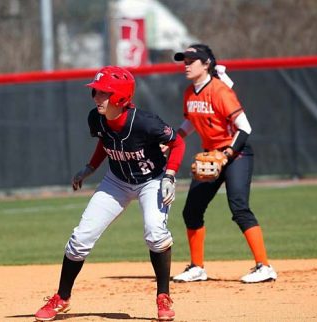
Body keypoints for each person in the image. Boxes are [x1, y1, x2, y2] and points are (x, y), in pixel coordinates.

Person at [34, 66, 186, 321]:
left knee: (155, 233)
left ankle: (163, 295)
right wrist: (90, 167)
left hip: (152, 181)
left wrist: (170, 175)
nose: (96, 97)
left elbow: (178, 143)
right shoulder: (97, 118)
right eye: (96, 91)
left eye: (103, 93)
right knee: (80, 239)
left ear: (121, 97)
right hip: (116, 181)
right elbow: (105, 143)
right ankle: (62, 297)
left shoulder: (145, 122)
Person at [171, 44, 277, 284]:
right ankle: (197, 268)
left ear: (206, 63)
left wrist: (227, 154)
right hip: (210, 157)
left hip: (236, 154)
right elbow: (190, 122)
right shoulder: (190, 92)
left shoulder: (219, 91)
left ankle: (264, 266)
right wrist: (173, 140)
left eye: (191, 60)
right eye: (184, 60)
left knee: (239, 207)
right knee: (192, 211)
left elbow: (245, 127)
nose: (186, 65)